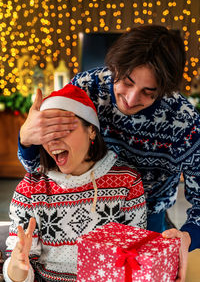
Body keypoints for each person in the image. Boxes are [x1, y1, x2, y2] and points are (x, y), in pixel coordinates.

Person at [18, 24, 200, 281]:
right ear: (115, 67)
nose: (131, 98)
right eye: (126, 82)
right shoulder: (85, 89)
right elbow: (44, 166)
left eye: (149, 93)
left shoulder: (185, 123)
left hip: (148, 215)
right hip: (78, 205)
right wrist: (26, 140)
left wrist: (189, 234)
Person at [3, 85, 147, 282]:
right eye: (46, 132)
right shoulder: (31, 189)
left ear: (91, 131)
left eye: (62, 130)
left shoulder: (127, 181)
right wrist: (18, 265)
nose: (52, 141)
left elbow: (135, 261)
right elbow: (18, 275)